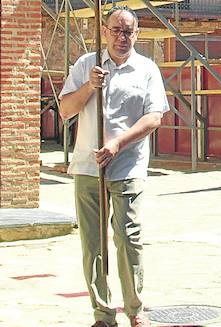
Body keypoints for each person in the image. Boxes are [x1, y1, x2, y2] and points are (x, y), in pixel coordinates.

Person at [58, 6, 166, 327]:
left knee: (128, 237)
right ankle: (103, 313)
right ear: (104, 31)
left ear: (137, 34)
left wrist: (118, 143)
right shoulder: (85, 65)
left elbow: (154, 117)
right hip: (89, 168)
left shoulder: (146, 69)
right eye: (116, 30)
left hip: (127, 167)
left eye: (128, 31)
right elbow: (65, 110)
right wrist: (89, 86)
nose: (122, 37)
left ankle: (135, 309)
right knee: (93, 242)